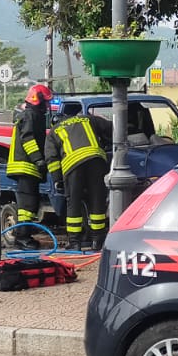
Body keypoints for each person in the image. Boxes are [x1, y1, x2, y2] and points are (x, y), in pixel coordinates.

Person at [46, 100, 108, 250]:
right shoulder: (88, 119)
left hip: (73, 166)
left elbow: (52, 158)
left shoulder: (55, 130)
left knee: (73, 202)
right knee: (97, 199)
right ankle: (97, 241)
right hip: (96, 161)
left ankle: (75, 243)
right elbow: (112, 129)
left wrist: (57, 180)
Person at [7, 83, 52, 244]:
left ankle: (25, 234)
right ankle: (22, 237)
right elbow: (28, 139)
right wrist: (38, 159)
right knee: (27, 205)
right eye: (45, 102)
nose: (47, 106)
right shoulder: (30, 115)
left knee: (31, 203)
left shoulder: (32, 115)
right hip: (25, 165)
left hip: (28, 166)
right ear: (37, 100)